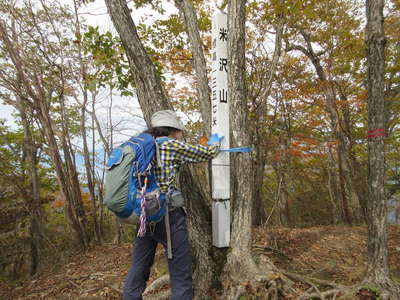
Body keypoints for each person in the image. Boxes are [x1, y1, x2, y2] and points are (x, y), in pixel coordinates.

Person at [123, 110, 223, 300]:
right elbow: (209, 153)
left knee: (139, 265)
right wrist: (215, 140)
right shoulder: (171, 145)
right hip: (168, 214)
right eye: (179, 131)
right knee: (180, 268)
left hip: (143, 213)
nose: (181, 134)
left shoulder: (141, 146)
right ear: (172, 130)